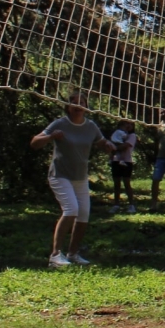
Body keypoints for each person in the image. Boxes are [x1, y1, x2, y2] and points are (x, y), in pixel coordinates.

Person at [31, 92, 113, 268]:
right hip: (60, 175)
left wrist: (108, 146)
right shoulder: (60, 124)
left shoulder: (91, 126)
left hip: (80, 177)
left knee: (83, 214)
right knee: (71, 210)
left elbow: (101, 142)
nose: (78, 106)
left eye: (81, 102)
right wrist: (51, 136)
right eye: (74, 103)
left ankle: (73, 253)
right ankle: (55, 255)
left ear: (86, 107)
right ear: (68, 107)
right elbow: (35, 142)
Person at [109, 119, 139, 213]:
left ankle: (131, 205)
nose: (128, 125)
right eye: (126, 123)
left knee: (126, 183)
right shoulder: (118, 134)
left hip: (127, 161)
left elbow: (125, 146)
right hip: (116, 161)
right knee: (116, 183)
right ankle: (116, 205)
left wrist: (114, 148)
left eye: (130, 124)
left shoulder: (132, 136)